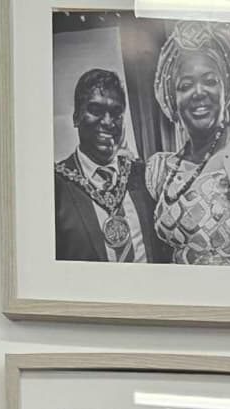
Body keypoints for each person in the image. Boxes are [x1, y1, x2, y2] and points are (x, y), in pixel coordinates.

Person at [145, 26, 230, 268]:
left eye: (210, 81)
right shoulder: (161, 170)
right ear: (174, 99)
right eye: (185, 85)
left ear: (225, 90)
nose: (199, 92)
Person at [53, 66, 154, 263]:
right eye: (96, 110)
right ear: (76, 117)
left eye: (116, 113)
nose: (108, 122)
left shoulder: (142, 176)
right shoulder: (55, 187)